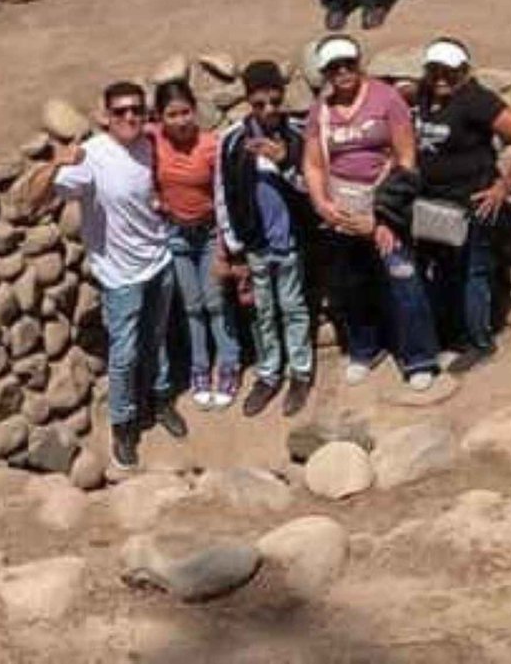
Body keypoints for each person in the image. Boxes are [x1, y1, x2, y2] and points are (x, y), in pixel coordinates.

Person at [25, 81, 188, 473]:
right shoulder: (91, 157)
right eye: (120, 112)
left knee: (158, 338)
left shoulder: (150, 143)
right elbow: (33, 199)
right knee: (124, 355)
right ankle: (124, 424)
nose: (129, 117)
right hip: (120, 278)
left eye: (136, 110)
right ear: (106, 117)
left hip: (158, 262)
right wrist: (56, 164)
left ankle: (161, 399)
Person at [302, 35, 441, 391]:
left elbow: (406, 159)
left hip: (384, 204)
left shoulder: (386, 99)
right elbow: (314, 164)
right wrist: (322, 204)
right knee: (353, 284)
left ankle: (419, 356)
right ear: (325, 72)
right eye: (334, 67)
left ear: (358, 62)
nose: (343, 72)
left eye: (348, 63)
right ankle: (365, 348)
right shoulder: (320, 111)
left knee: (403, 278)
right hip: (342, 211)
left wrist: (383, 216)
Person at [413, 37, 511, 363]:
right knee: (444, 271)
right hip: (435, 205)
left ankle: (480, 343)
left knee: (473, 272)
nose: (441, 76)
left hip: (472, 204)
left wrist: (503, 186)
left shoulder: (476, 100)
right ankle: (453, 335)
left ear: (465, 71)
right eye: (434, 69)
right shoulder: (426, 95)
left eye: (449, 70)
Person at [213, 60, 314, 418]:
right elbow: (223, 194)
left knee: (293, 306)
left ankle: (300, 371)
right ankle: (269, 373)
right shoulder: (234, 140)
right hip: (255, 243)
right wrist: (232, 243)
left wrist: (286, 162)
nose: (269, 110)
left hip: (290, 241)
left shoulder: (297, 136)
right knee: (264, 311)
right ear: (248, 102)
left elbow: (311, 189)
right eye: (260, 104)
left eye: (274, 101)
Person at [151, 79, 240, 411]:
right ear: (160, 117)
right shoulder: (153, 140)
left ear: (195, 110)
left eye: (185, 111)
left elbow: (225, 196)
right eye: (172, 114)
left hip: (208, 235)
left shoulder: (210, 146)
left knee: (216, 303)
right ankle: (199, 368)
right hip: (175, 235)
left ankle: (229, 365)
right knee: (191, 307)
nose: (180, 120)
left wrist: (225, 248)